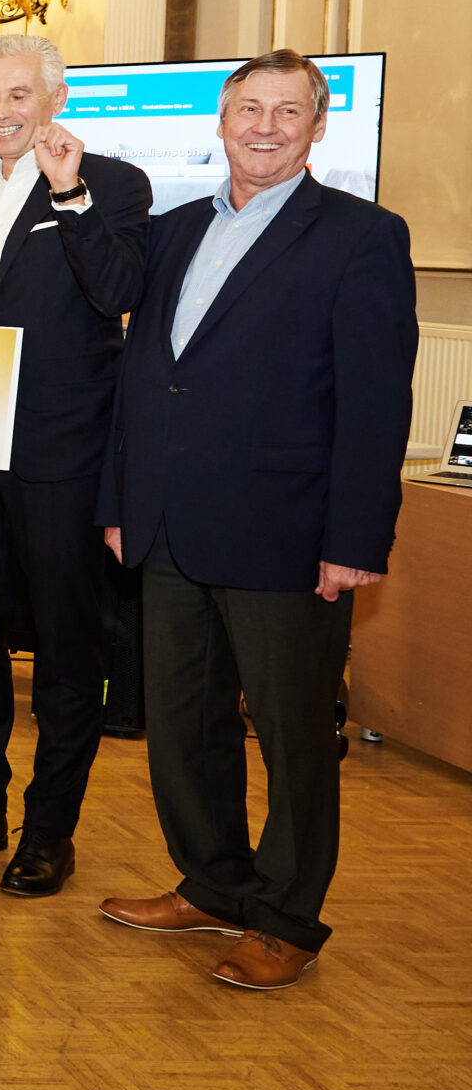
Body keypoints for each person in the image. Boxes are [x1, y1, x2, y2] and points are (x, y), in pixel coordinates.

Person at [96, 50, 415, 991]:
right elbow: (145, 377)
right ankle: (214, 883)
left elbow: (374, 404)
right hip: (164, 526)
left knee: (291, 739)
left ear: (319, 127)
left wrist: (355, 541)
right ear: (222, 120)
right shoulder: (173, 230)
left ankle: (286, 919)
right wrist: (119, 501)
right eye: (250, 109)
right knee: (184, 726)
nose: (266, 126)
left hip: (287, 532)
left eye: (289, 110)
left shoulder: (362, 237)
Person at [0, 35, 151, 897]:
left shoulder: (113, 184)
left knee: (65, 647)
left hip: (64, 459)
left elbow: (119, 292)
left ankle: (51, 827)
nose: (2, 113)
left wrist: (68, 192)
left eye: (19, 96)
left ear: (55, 99)